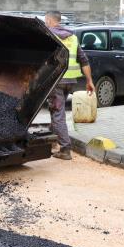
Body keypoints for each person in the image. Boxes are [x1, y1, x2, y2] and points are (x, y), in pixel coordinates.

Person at [44, 11, 95, 160]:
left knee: (58, 114)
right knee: (56, 111)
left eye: (46, 20)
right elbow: (84, 60)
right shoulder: (72, 37)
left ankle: (65, 149)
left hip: (56, 81)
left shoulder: (49, 35)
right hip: (70, 81)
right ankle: (54, 142)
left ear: (48, 20)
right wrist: (89, 81)